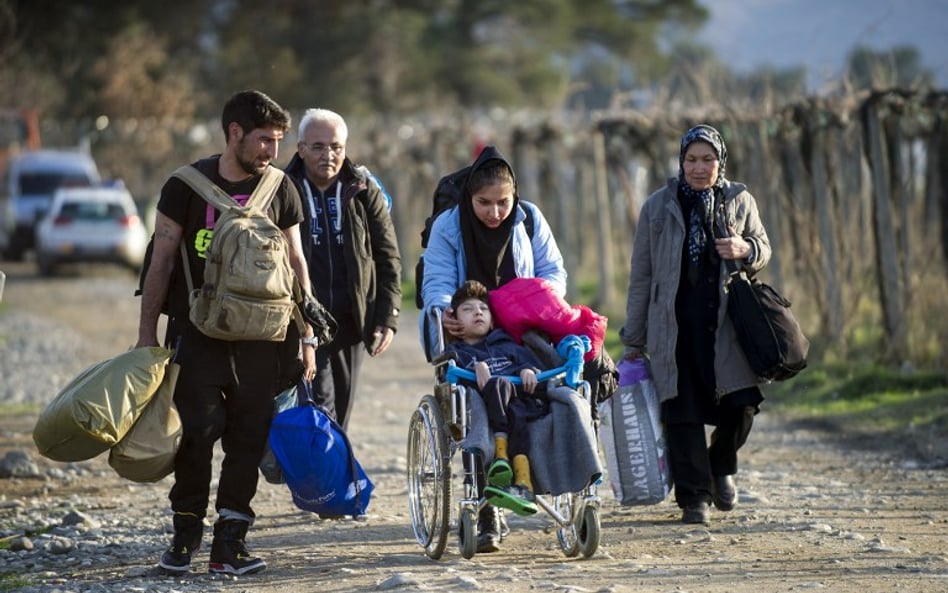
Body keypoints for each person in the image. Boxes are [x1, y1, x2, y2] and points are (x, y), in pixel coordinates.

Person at [136, 90, 317, 575]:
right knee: (197, 430)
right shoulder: (185, 186)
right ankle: (185, 533)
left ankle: (230, 542)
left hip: (265, 336)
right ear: (233, 132)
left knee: (248, 435)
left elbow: (296, 262)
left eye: (278, 141)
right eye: (264, 140)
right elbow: (162, 261)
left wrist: (308, 336)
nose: (271, 152)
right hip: (196, 333)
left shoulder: (281, 188)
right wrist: (145, 335)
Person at [619, 124, 772, 526]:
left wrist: (745, 248)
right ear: (680, 161)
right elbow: (641, 275)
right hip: (673, 328)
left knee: (742, 405)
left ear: (721, 162)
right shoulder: (657, 206)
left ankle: (720, 465)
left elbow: (763, 247)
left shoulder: (739, 199)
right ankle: (694, 498)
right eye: (691, 159)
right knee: (681, 411)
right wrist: (634, 338)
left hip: (727, 327)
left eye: (708, 159)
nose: (699, 168)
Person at [417, 144, 566, 552]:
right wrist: (443, 310)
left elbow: (553, 270)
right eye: (484, 203)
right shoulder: (449, 226)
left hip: (520, 329)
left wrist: (540, 299)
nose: (495, 213)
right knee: (475, 406)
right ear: (469, 197)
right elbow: (437, 279)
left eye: (503, 202)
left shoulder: (530, 218)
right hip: (471, 330)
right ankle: (487, 508)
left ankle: (548, 476)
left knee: (549, 391)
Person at [284, 108, 401, 431]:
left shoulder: (363, 189)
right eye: (318, 147)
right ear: (301, 149)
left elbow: (387, 255)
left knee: (342, 410)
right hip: (304, 319)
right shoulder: (282, 189)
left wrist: (386, 317)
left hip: (351, 319)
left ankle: (326, 474)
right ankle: (327, 478)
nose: (328, 155)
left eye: (336, 146)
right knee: (320, 404)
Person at [445, 280, 546, 517]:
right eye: (468, 310)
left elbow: (532, 364)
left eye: (483, 309)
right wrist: (474, 368)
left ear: (492, 321)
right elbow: (452, 384)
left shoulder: (508, 345)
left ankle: (519, 479)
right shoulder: (458, 354)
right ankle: (510, 470)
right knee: (499, 387)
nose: (478, 312)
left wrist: (528, 370)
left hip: (521, 402)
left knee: (516, 409)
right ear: (455, 322)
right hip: (484, 410)